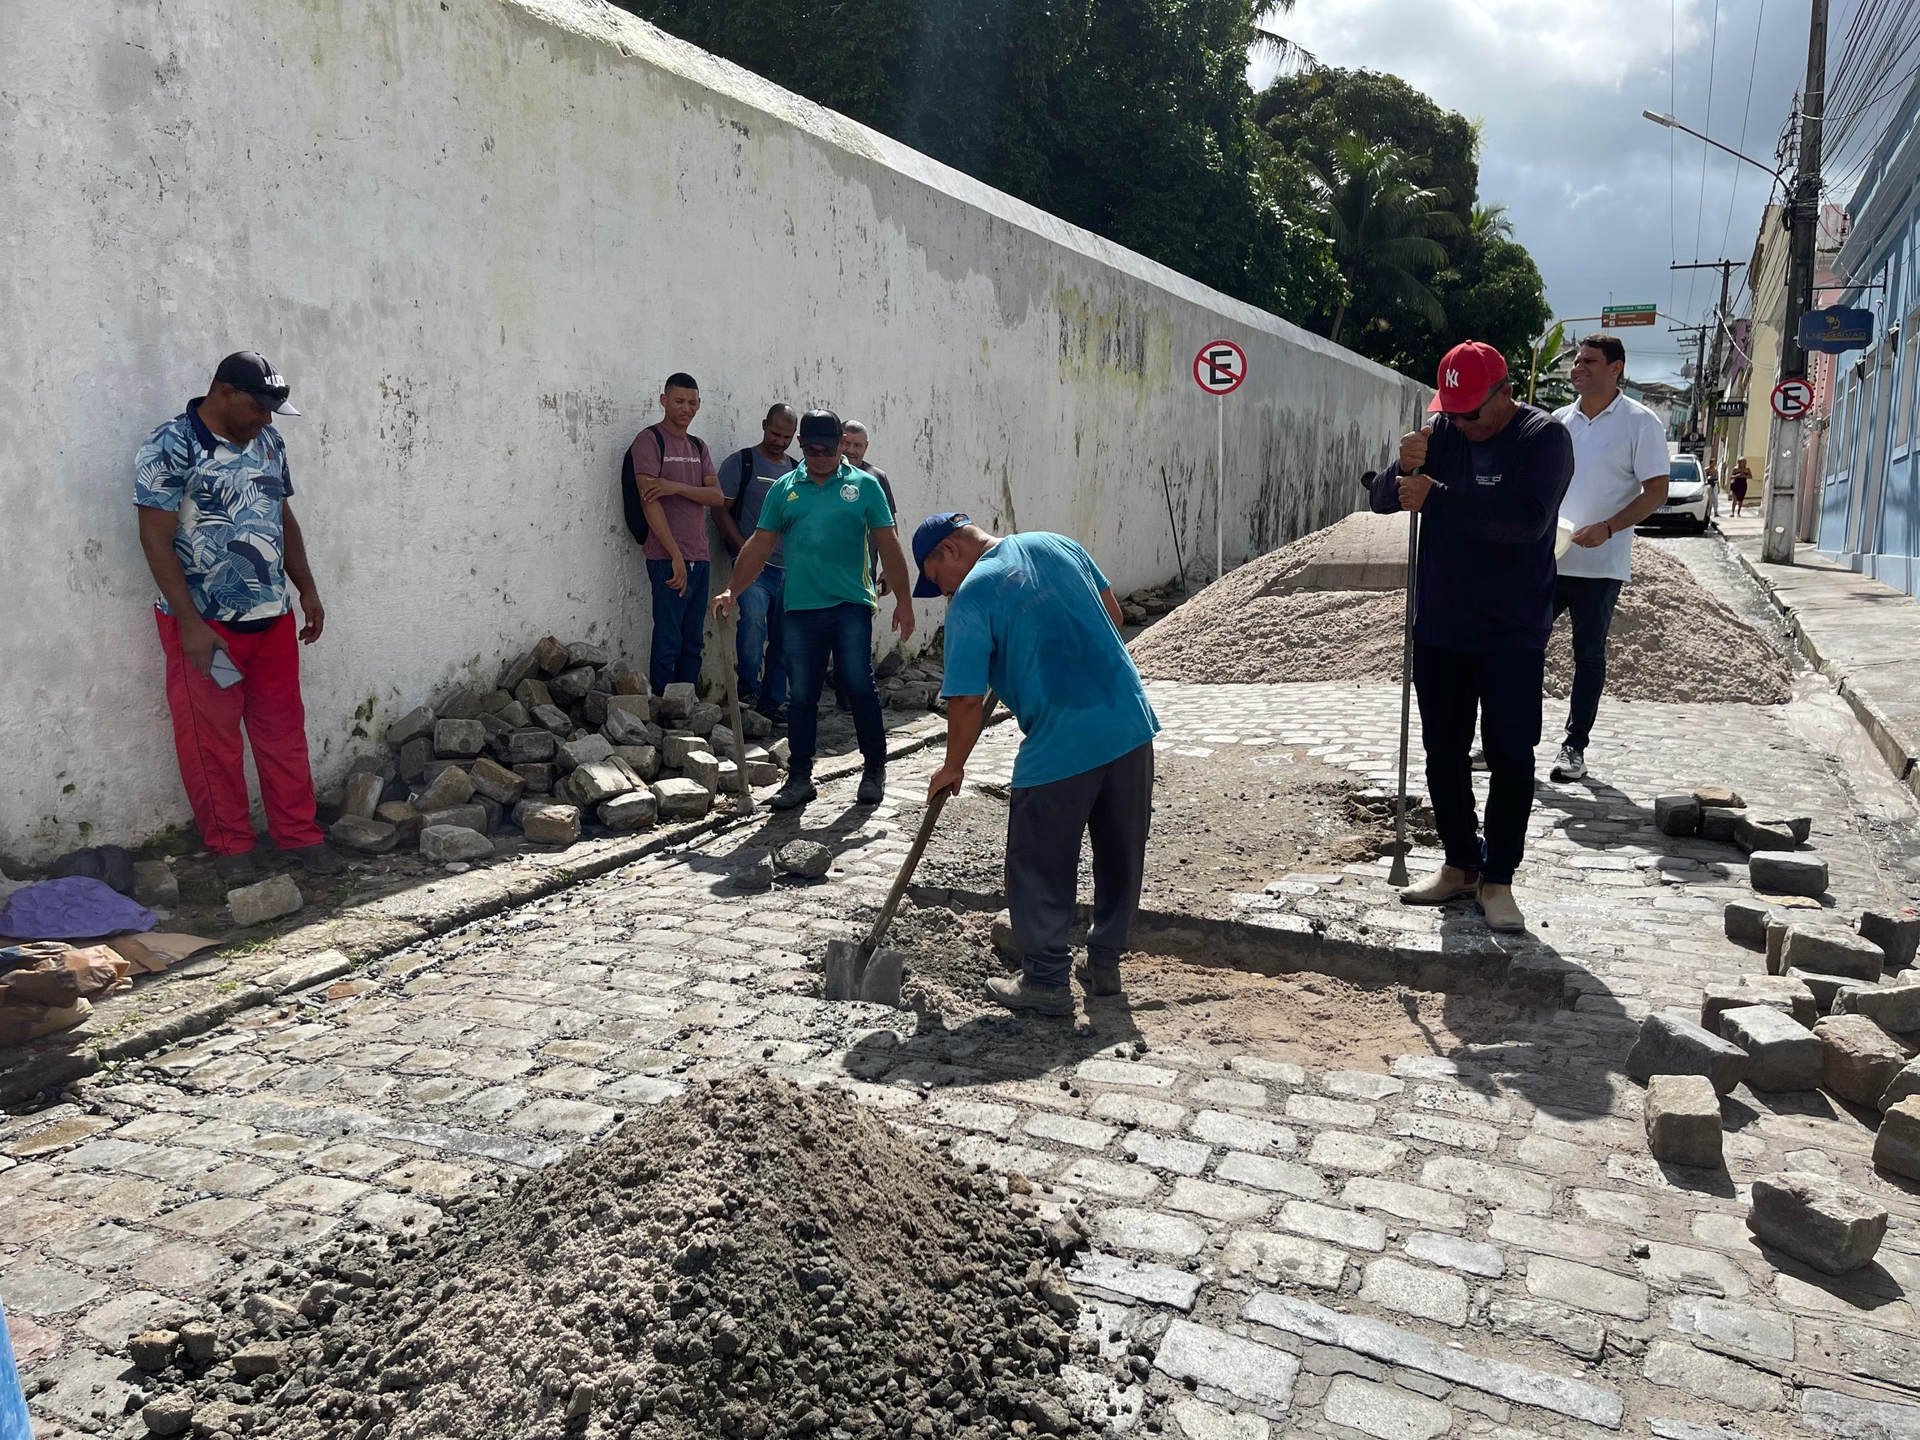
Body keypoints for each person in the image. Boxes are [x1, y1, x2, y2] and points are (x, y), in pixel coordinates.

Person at [1368, 340, 1574, 933]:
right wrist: (1403, 468)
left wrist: (1438, 497)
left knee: (1511, 755)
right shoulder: (1443, 431)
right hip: (1441, 626)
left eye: (1471, 414)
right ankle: (1460, 863)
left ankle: (1499, 878)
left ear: (1504, 393)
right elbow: (1384, 501)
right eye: (1451, 413)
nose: (1461, 424)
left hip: (1511, 630)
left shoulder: (1543, 439)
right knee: (1443, 752)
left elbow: (1524, 522)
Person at [918, 515, 1160, 1015]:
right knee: (1121, 852)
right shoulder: (1057, 544)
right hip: (1129, 723)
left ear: (950, 550)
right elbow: (1112, 616)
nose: (941, 591)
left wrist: (952, 767)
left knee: (1037, 862)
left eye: (935, 578)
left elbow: (964, 701)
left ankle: (1046, 982)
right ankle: (1105, 964)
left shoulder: (971, 599)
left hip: (1060, 743)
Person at [134, 352, 343, 883]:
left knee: (282, 731)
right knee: (212, 743)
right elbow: (154, 539)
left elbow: (281, 516)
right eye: (259, 407)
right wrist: (189, 624)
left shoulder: (268, 443)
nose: (267, 421)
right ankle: (230, 848)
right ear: (225, 392)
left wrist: (307, 588)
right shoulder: (169, 446)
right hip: (208, 627)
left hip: (271, 618)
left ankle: (298, 834)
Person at [712, 410, 914, 809]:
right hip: (800, 607)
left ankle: (874, 769)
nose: (818, 457)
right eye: (810, 449)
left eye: (826, 449)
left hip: (850, 604)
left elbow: (888, 544)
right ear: (801, 445)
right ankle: (800, 778)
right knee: (801, 695)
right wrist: (732, 590)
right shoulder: (785, 488)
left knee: (857, 685)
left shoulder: (865, 486)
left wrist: (904, 601)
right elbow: (759, 544)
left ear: (841, 445)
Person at [1547, 336, 1670, 783]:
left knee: (1588, 655)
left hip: (1601, 567)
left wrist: (1608, 528)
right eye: (1577, 360)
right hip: (1549, 560)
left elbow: (1656, 491)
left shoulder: (1641, 422)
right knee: (1520, 648)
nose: (1579, 367)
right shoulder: (1560, 421)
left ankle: (1573, 748)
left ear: (1616, 367)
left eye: (1590, 362)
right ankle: (1506, 740)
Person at [629, 373, 724, 695]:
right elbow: (649, 503)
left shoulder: (698, 446)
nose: (687, 408)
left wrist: (676, 487)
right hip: (667, 557)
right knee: (669, 638)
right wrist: (675, 556)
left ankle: (688, 707)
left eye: (692, 402)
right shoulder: (649, 440)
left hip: (700, 554)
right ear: (664, 400)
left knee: (693, 640)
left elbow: (716, 497)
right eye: (679, 401)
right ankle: (661, 707)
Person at [714, 404, 798, 718]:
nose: (779, 441)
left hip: (789, 570)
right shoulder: (742, 463)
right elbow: (720, 509)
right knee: (751, 622)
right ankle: (749, 689)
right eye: (775, 433)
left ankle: (774, 701)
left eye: (787, 436)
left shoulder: (796, 470)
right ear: (764, 425)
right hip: (753, 570)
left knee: (785, 637)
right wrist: (742, 549)